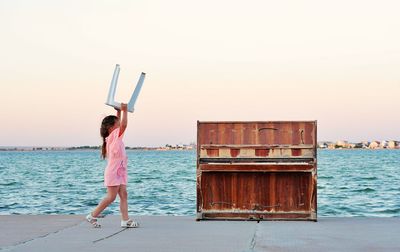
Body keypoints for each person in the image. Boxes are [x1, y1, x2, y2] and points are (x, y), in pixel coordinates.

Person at [86, 103, 139, 228]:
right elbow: (124, 125)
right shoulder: (114, 136)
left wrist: (119, 112)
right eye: (117, 124)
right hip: (114, 172)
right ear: (111, 128)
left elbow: (120, 124)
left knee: (123, 195)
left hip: (120, 172)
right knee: (111, 197)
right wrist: (125, 111)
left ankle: (125, 220)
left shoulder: (114, 137)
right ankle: (92, 215)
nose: (120, 125)